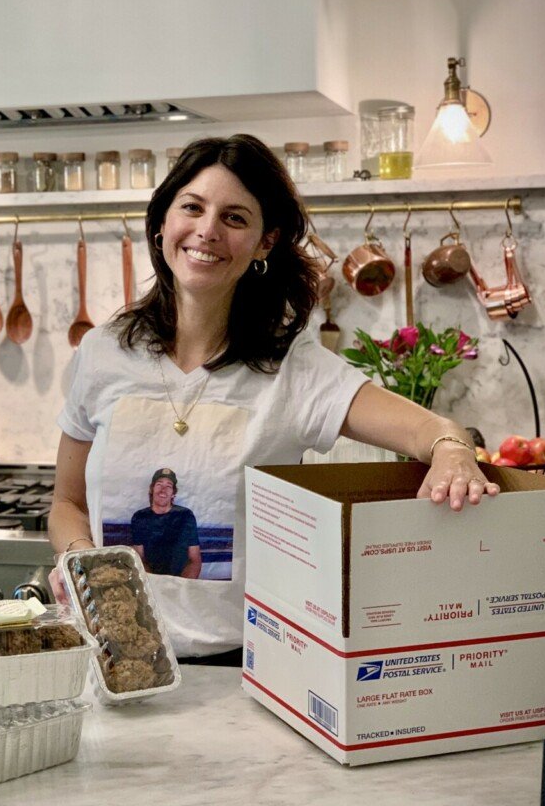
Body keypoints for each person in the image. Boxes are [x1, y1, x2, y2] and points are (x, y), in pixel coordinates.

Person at [49, 133, 498, 666]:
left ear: (265, 243)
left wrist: (452, 451)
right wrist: (82, 562)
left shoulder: (293, 369)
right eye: (192, 207)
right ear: (162, 223)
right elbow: (66, 504)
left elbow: (433, 430)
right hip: (107, 659)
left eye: (236, 218)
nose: (208, 230)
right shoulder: (104, 351)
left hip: (243, 668)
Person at [131, 467, 202, 578]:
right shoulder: (140, 517)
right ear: (152, 489)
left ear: (173, 493)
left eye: (168, 486)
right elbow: (139, 559)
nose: (163, 489)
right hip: (152, 581)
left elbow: (194, 560)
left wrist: (183, 587)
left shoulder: (185, 515)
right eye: (159, 484)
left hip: (181, 581)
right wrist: (154, 585)